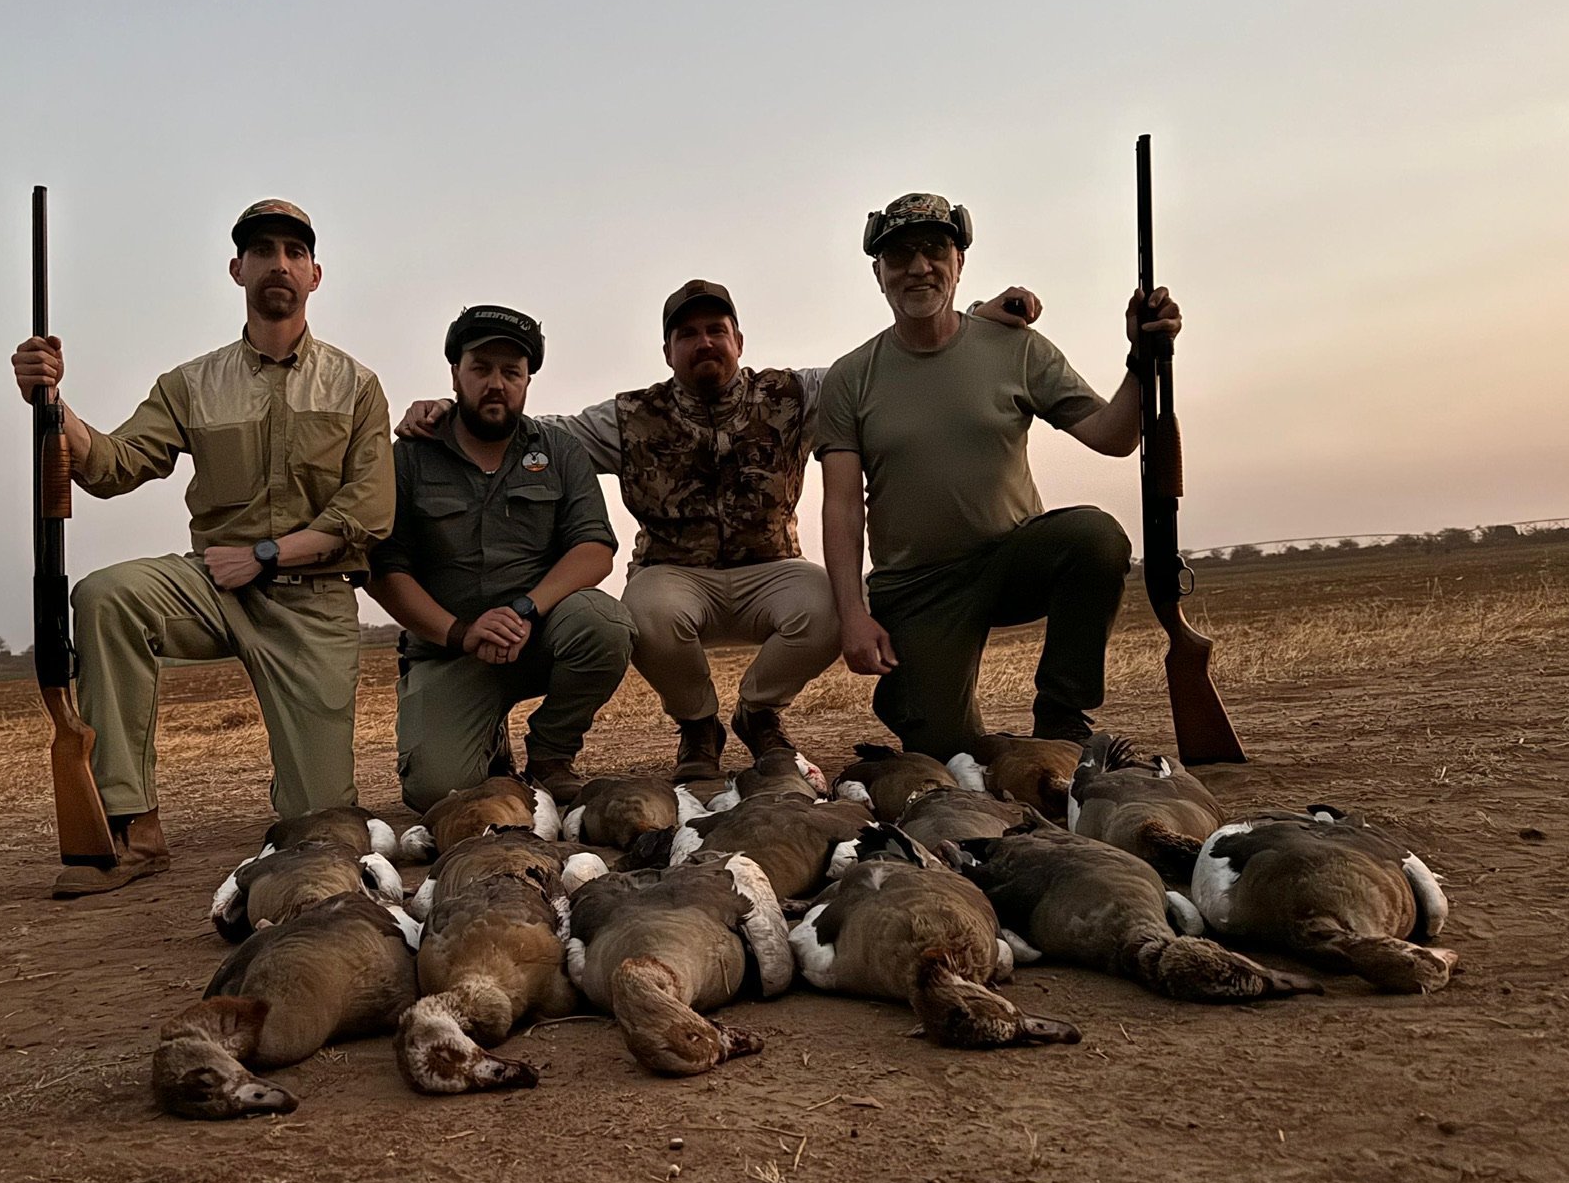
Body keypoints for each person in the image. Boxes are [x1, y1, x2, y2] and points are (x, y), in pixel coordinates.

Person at [399, 279, 1041, 782]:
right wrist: (447, 410)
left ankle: (758, 713)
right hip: (675, 575)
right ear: (667, 351)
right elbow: (531, 428)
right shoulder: (628, 416)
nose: (703, 342)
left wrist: (972, 317)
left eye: (716, 330)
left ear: (739, 339)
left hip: (771, 568)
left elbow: (879, 364)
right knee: (641, 611)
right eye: (687, 334)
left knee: (832, 600)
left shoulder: (797, 393)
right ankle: (698, 726)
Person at [9, 199, 394, 896]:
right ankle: (129, 829)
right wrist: (53, 402)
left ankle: (304, 808)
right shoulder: (190, 383)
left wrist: (268, 554)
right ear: (236, 268)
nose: (278, 263)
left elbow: (366, 513)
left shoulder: (358, 385)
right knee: (107, 596)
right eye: (262, 251)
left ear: (315, 274)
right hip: (214, 588)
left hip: (312, 600)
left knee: (323, 827)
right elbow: (113, 466)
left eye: (292, 252)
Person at [818, 191, 1180, 760]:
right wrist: (853, 616)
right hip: (917, 587)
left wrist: (1141, 356)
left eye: (936, 250)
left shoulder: (1017, 347)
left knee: (1094, 537)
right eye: (900, 255)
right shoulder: (849, 377)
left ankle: (1062, 713)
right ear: (878, 274)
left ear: (959, 263)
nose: (919, 267)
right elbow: (840, 506)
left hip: (1009, 559)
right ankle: (915, 695)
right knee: (948, 754)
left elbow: (1112, 437)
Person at [369, 305, 632, 809]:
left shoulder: (559, 450)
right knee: (437, 793)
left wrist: (524, 610)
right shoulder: (405, 458)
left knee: (607, 624)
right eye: (481, 368)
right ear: (454, 374)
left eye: (511, 371)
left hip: (538, 636)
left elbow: (595, 550)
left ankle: (552, 756)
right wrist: (462, 632)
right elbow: (383, 571)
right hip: (449, 652)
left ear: (528, 379)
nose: (496, 383)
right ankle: (486, 742)